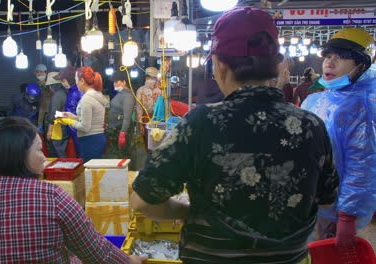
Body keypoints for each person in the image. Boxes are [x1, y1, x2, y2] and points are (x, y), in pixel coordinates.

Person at [130, 7, 339, 264]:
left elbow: (142, 201)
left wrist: (188, 212)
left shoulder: (199, 124)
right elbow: (327, 199)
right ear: (276, 65)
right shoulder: (311, 125)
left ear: (220, 65)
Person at [0, 116, 147, 264]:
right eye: (38, 150)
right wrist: (131, 261)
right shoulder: (52, 197)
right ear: (18, 154)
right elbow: (98, 254)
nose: (44, 157)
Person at [301, 27, 376, 247]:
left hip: (335, 210)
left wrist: (348, 215)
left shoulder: (361, 107)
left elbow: (361, 166)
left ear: (361, 66)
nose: (330, 63)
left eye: (342, 57)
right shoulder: (314, 101)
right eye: (328, 56)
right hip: (307, 205)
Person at [58, 66, 108, 162]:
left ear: (82, 80)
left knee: (90, 172)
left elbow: (85, 127)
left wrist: (68, 121)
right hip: (97, 138)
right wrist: (71, 116)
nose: (76, 83)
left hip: (90, 140)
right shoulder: (96, 94)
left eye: (76, 80)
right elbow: (88, 119)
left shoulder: (87, 99)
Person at [106, 70, 136, 161]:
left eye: (116, 82)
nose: (114, 84)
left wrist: (123, 133)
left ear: (124, 82)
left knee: (123, 157)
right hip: (115, 131)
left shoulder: (128, 96)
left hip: (120, 131)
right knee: (116, 157)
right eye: (113, 82)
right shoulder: (120, 94)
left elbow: (127, 117)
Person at [53, 66, 83, 157]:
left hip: (79, 130)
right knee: (80, 155)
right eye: (61, 81)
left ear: (70, 78)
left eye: (64, 80)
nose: (63, 84)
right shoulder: (71, 91)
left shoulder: (77, 92)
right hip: (74, 130)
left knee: (83, 157)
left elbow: (81, 112)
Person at [135, 67, 162, 147]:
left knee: (158, 141)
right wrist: (140, 124)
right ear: (146, 77)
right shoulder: (141, 90)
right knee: (148, 143)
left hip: (159, 119)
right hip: (146, 118)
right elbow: (138, 108)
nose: (150, 79)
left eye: (152, 77)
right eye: (148, 77)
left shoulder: (160, 90)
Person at [47, 70, 70, 158]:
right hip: (65, 125)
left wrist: (50, 130)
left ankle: (61, 168)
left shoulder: (58, 95)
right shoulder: (66, 92)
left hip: (58, 126)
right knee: (62, 149)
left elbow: (54, 113)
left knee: (58, 151)